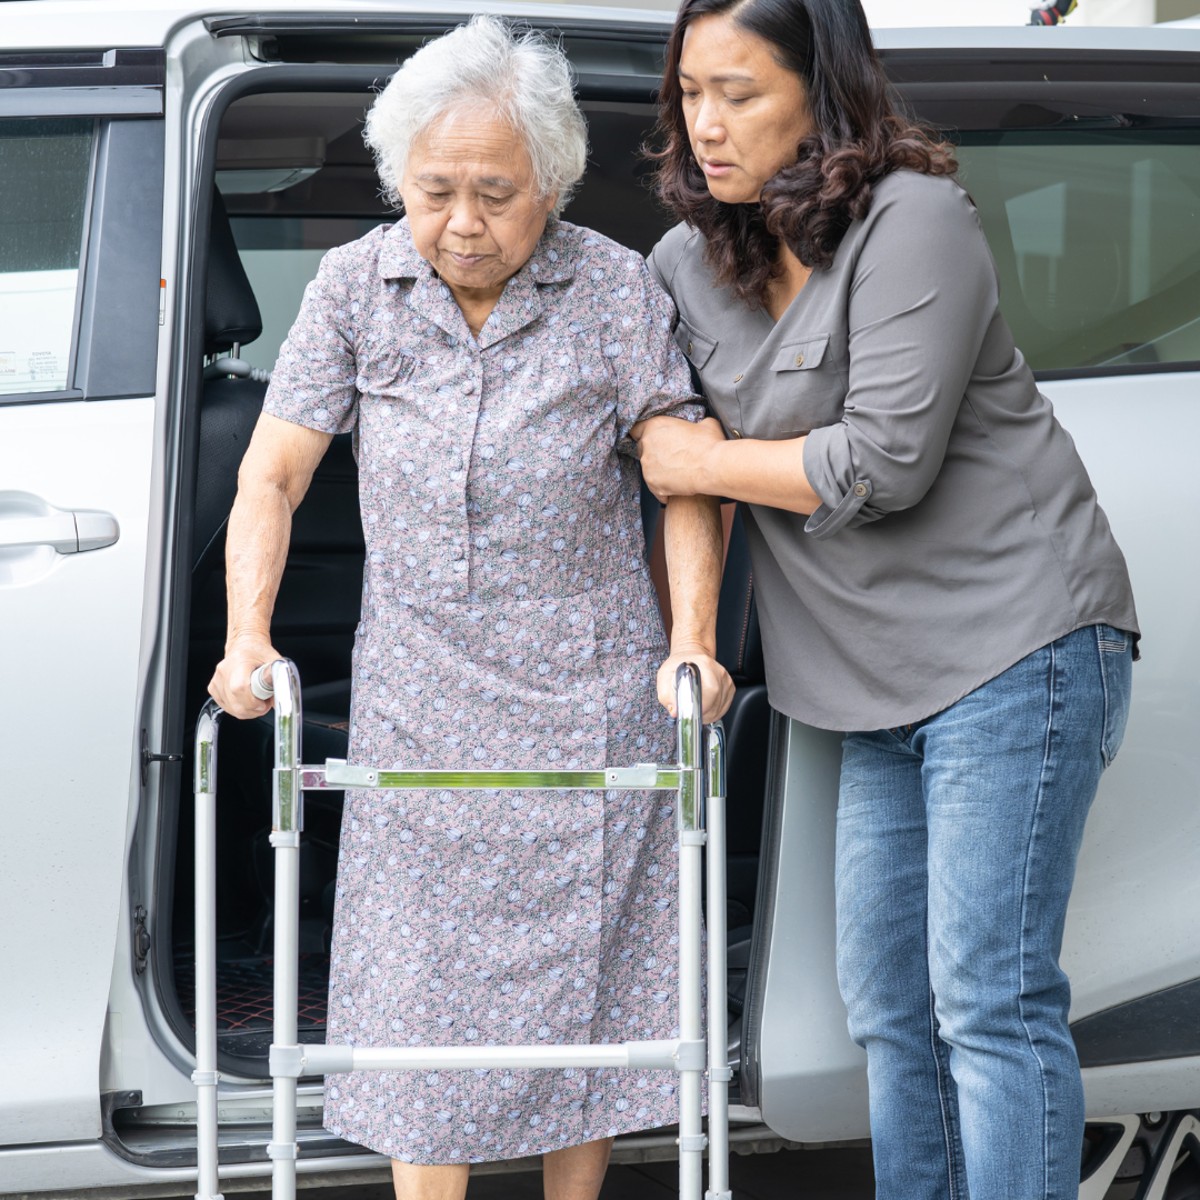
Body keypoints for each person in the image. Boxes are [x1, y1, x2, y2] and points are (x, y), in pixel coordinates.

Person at [208, 16, 732, 1200]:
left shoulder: (612, 289)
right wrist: (247, 638)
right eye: (433, 191)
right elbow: (272, 477)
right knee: (421, 1009)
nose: (460, 222)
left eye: (495, 194)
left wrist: (693, 645)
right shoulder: (357, 286)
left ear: (550, 185)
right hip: (420, 705)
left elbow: (683, 478)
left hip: (588, 700)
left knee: (587, 1008)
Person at [633, 1, 1139, 1198]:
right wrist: (691, 623)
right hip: (866, 691)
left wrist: (707, 457)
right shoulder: (679, 268)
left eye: (739, 94)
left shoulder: (914, 219)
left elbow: (884, 462)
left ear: (821, 91)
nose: (707, 125)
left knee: (989, 1000)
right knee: (890, 1009)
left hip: (1015, 643)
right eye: (691, 94)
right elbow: (660, 458)